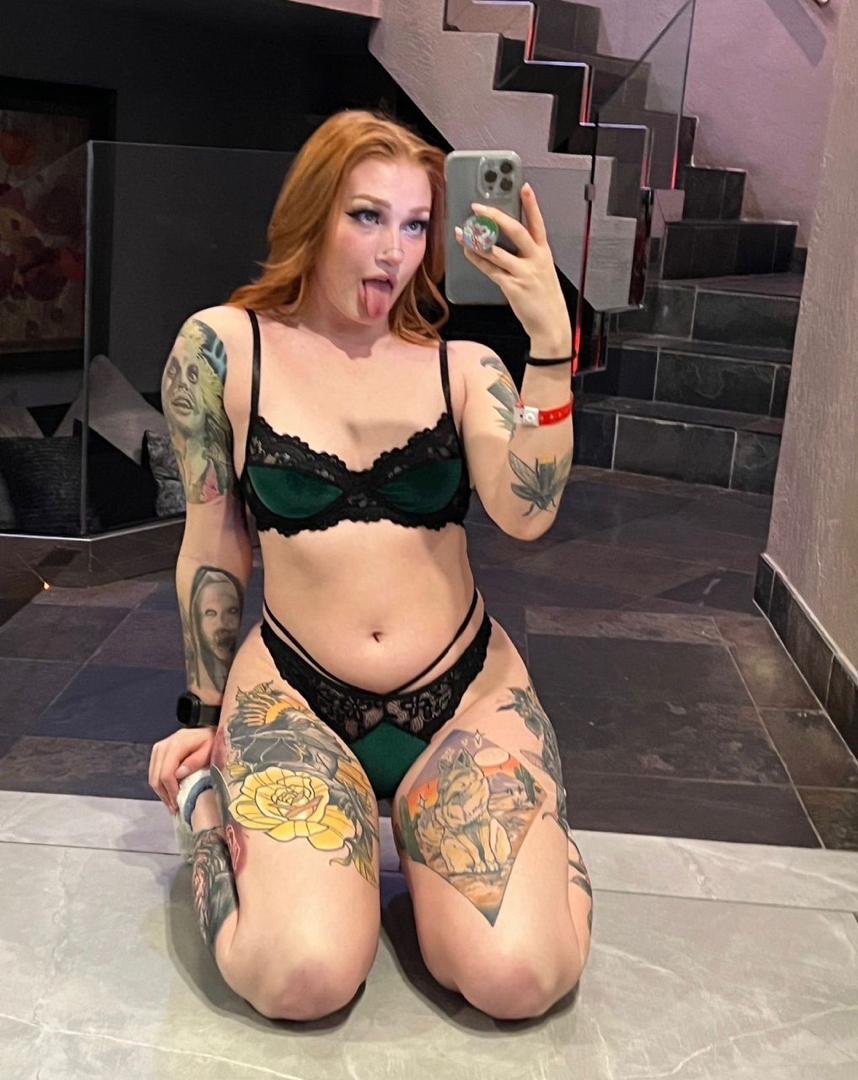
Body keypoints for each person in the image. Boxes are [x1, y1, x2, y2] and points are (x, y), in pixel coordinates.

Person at [148, 109, 593, 1023]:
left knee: (519, 979)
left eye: (417, 224)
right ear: (312, 216)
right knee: (300, 979)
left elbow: (527, 512)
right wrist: (202, 714)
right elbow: (213, 543)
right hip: (296, 699)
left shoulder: (465, 367)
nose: (395, 251)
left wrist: (550, 350)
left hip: (464, 697)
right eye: (367, 217)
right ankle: (207, 809)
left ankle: (536, 844)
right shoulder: (223, 350)